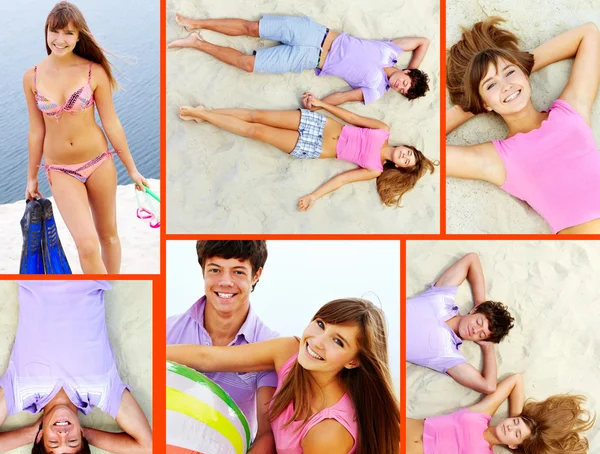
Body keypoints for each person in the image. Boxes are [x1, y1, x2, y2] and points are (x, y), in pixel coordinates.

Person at [168, 298, 400, 454]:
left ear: (353, 361)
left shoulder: (328, 430)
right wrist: (151, 354)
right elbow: (207, 357)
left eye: (337, 341)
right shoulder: (288, 353)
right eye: (320, 324)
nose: (317, 342)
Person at [24, 1, 149, 273]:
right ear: (46, 32)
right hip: (60, 169)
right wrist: (31, 177)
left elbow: (112, 123)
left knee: (109, 236)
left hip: (99, 163)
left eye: (69, 33)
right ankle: (97, 296)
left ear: (80, 35)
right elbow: (36, 131)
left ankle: (112, 291)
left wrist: (133, 169)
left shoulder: (94, 72)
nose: (60, 40)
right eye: (54, 32)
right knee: (87, 244)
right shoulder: (31, 77)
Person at [446, 18, 600, 234]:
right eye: (490, 84)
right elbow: (427, 148)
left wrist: (522, 64)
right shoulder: (498, 159)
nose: (506, 85)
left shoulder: (570, 111)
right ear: (484, 104)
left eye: (509, 72)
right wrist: (473, 104)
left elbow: (589, 33)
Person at [0, 281, 152, 454]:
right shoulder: (104, 391)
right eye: (72, 441)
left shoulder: (18, 392)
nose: (63, 434)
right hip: (89, 278)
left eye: (53, 442)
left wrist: (30, 434)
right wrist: (85, 434)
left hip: (36, 276)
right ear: (81, 434)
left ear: (40, 437)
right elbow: (148, 446)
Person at [167, 240, 279, 454]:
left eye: (238, 272)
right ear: (203, 272)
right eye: (215, 270)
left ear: (257, 275)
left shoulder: (268, 345)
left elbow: (269, 435)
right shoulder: (166, 329)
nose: (225, 282)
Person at [178, 95, 435, 210]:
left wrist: (314, 196)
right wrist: (323, 104)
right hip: (320, 124)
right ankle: (204, 114)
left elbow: (342, 180)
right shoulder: (383, 130)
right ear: (406, 147)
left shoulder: (374, 170)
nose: (405, 157)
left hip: (314, 148)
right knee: (258, 116)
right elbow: (352, 116)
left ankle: (202, 114)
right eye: (409, 154)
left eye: (407, 162)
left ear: (400, 168)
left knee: (256, 132)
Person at [407, 374, 595, 454]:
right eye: (515, 422)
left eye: (516, 434)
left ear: (513, 445)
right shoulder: (483, 412)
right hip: (408, 427)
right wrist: (520, 422)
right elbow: (516, 380)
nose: (511, 427)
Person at [168, 14, 430, 105]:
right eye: (406, 83)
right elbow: (423, 42)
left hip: (308, 58)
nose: (400, 87)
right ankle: (195, 23)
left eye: (404, 92)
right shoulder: (391, 51)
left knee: (247, 64)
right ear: (407, 74)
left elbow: (342, 97)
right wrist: (412, 67)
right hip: (316, 33)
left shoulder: (376, 91)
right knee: (251, 28)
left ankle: (198, 43)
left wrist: (319, 104)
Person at [406, 253, 514, 393]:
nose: (475, 330)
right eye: (479, 322)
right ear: (474, 310)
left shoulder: (448, 356)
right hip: (374, 310)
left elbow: (489, 386)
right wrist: (481, 302)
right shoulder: (441, 298)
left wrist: (488, 347)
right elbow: (471, 259)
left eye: (481, 335)